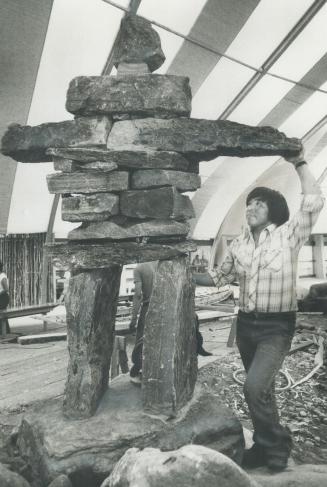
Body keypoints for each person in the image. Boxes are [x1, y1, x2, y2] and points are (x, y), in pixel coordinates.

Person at [194, 151, 324, 472]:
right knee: (261, 391)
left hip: (276, 326)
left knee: (253, 387)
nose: (250, 208)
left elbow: (313, 200)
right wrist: (184, 271)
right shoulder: (238, 243)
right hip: (246, 325)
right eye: (249, 203)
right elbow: (218, 277)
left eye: (259, 204)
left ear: (274, 212)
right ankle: (265, 449)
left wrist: (299, 163)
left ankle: (278, 443)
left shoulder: (288, 235)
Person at [129, 261, 212, 385]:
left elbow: (137, 295)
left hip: (148, 309)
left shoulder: (140, 268)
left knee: (141, 344)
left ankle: (138, 373)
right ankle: (160, 375)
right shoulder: (168, 264)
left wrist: (134, 319)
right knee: (164, 344)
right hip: (168, 309)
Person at [0, 261, 10, 335]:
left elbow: (6, 289)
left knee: (2, 314)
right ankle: (6, 331)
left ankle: (4, 332)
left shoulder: (2, 276)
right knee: (2, 315)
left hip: (3, 297)